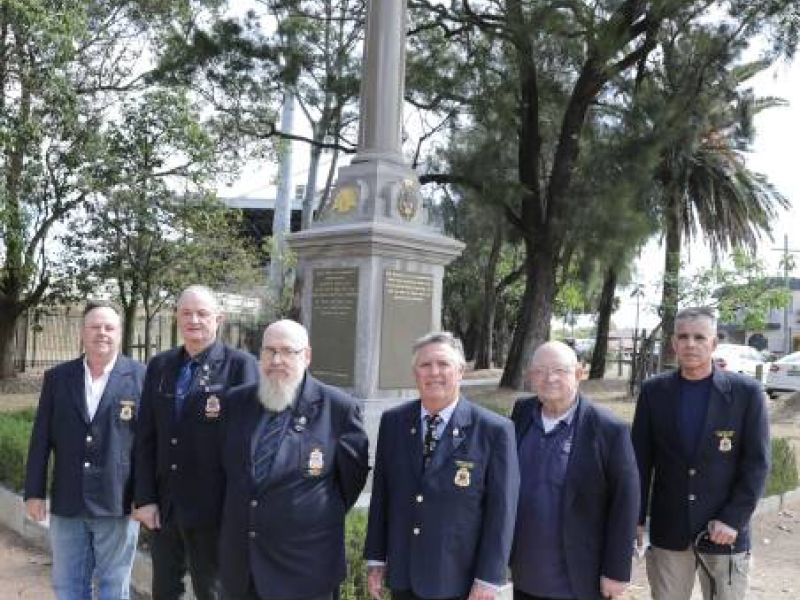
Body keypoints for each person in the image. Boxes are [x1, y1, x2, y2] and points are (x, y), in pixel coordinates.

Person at [218, 319, 369, 600]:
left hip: (305, 570)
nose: (277, 360)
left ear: (307, 356)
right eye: (269, 351)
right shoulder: (236, 402)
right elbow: (226, 474)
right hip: (242, 568)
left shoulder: (338, 409)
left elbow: (350, 483)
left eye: (288, 351)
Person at [365, 331, 519, 600]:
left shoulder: (494, 430)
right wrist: (376, 558)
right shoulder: (394, 422)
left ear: (460, 371)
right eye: (425, 365)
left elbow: (501, 512)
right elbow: (382, 495)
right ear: (415, 374)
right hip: (405, 575)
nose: (434, 372)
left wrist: (489, 577)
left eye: (443, 364)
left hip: (460, 580)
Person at [632, 306, 770, 600]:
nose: (690, 344)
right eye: (683, 337)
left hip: (724, 533)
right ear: (673, 343)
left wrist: (733, 519)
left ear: (714, 343)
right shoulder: (653, 392)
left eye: (699, 336)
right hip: (670, 531)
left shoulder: (747, 393)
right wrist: (636, 517)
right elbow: (640, 462)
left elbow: (756, 464)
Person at [133, 285, 259, 600]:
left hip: (213, 509)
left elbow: (248, 444)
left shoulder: (240, 366)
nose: (194, 320)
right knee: (164, 591)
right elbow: (146, 437)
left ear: (219, 318)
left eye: (202, 313)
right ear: (177, 317)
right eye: (186, 313)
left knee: (212, 592)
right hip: (166, 507)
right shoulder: (160, 366)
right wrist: (145, 497)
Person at [24, 301, 145, 600]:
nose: (101, 333)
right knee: (68, 587)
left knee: (113, 589)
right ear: (82, 332)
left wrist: (144, 497)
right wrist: (34, 492)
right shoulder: (58, 378)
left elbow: (147, 444)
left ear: (120, 332)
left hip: (117, 502)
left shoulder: (142, 377)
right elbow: (41, 438)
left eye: (109, 327)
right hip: (68, 501)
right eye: (94, 326)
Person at [510, 341, 639, 600]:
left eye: (560, 370)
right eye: (540, 371)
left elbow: (625, 503)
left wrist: (617, 570)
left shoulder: (608, 429)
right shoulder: (521, 414)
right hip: (526, 573)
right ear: (531, 375)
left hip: (580, 577)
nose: (549, 378)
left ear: (579, 373)